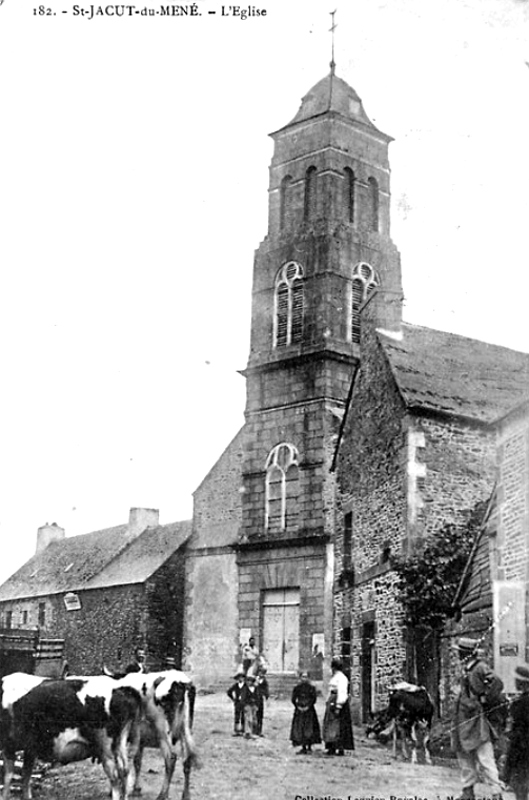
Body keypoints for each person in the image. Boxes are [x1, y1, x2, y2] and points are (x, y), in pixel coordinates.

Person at [451, 636, 505, 800]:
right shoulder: (467, 668)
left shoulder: (480, 667)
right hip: (462, 718)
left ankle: (496, 792)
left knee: (484, 755)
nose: (458, 655)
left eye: (460, 652)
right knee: (464, 754)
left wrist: (485, 699)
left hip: (475, 718)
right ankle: (468, 790)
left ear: (465, 653)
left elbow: (497, 682)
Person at [504, 665, 529, 800]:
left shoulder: (519, 705)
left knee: (521, 787)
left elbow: (517, 733)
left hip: (522, 749)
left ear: (521, 683)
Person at [322, 657, 354, 756]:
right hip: (332, 701)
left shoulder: (341, 678)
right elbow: (331, 691)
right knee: (330, 725)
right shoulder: (335, 677)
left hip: (338, 703)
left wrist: (339, 706)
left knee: (339, 726)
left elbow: (342, 692)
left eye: (333, 668)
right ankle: (331, 747)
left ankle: (340, 748)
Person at [290, 671, 321, 754]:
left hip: (309, 710)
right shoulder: (297, 688)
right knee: (300, 728)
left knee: (310, 728)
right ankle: (303, 747)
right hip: (299, 710)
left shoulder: (311, 688)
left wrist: (308, 706)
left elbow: (314, 699)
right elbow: (293, 699)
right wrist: (298, 706)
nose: (304, 679)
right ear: (300, 678)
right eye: (303, 677)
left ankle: (309, 746)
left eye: (306, 677)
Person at [241, 673, 261, 738]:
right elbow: (243, 698)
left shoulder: (256, 689)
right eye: (247, 681)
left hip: (254, 705)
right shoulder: (245, 689)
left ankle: (254, 731)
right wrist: (244, 705)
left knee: (254, 719)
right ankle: (248, 732)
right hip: (247, 705)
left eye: (250, 681)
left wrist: (257, 705)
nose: (249, 682)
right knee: (248, 719)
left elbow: (258, 697)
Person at [227, 668, 246, 736]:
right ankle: (236, 730)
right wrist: (233, 699)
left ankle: (243, 730)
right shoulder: (235, 685)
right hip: (237, 703)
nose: (240, 679)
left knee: (243, 716)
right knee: (237, 716)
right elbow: (229, 692)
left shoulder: (246, 685)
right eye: (239, 678)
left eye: (242, 678)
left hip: (244, 703)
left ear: (244, 678)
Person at [255, 666, 270, 736]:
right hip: (254, 699)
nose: (261, 674)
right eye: (260, 673)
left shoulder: (265, 681)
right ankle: (253, 730)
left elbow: (266, 690)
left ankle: (259, 730)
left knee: (260, 715)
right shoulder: (254, 680)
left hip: (260, 700)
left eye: (263, 673)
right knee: (254, 714)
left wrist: (267, 698)